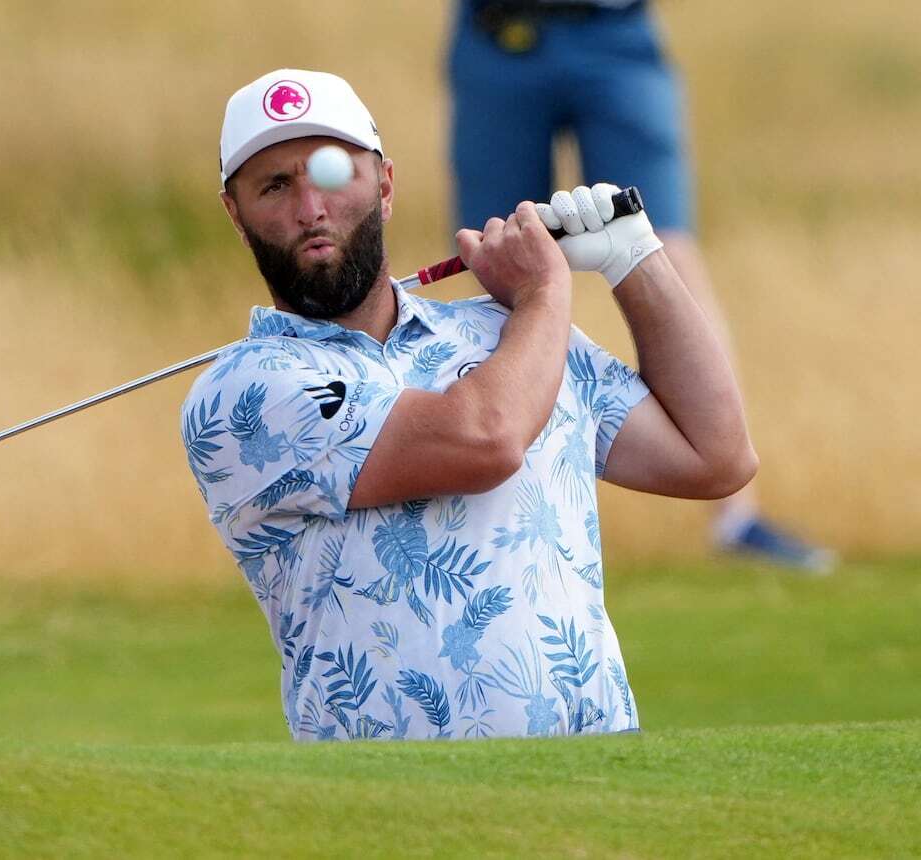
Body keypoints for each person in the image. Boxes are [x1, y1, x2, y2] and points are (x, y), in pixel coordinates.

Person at [180, 68, 756, 741]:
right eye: (274, 186)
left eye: (333, 172)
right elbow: (484, 440)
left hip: (602, 785)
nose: (311, 207)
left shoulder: (504, 334)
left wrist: (635, 258)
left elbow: (714, 457)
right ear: (237, 216)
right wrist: (546, 293)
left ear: (385, 185)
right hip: (394, 811)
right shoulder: (243, 393)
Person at [448, 0, 834, 570]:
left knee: (662, 247)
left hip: (615, 30)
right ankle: (497, 517)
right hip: (496, 33)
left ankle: (736, 517)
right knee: (495, 254)